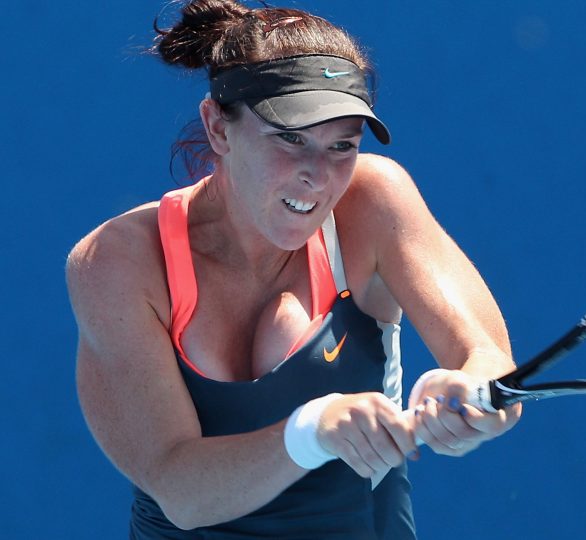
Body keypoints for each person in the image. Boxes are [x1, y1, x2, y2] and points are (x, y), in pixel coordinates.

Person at [65, 1, 521, 537]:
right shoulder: (118, 262)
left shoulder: (373, 202)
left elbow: (490, 362)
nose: (318, 176)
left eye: (342, 146)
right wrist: (313, 429)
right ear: (218, 127)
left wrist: (471, 397)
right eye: (290, 138)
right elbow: (180, 490)